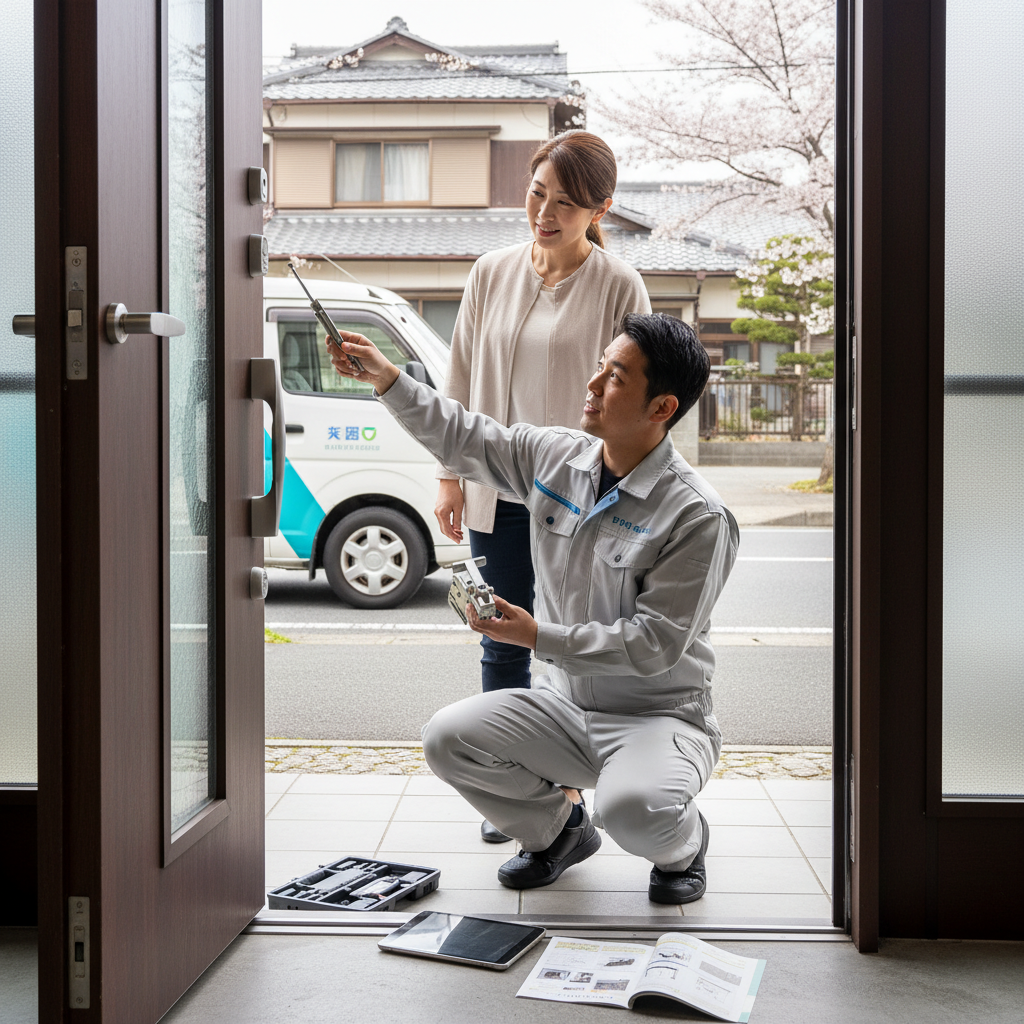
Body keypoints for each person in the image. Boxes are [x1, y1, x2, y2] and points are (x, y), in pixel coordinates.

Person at [327, 312, 738, 905]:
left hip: (658, 715)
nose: (594, 384)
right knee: (447, 738)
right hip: (563, 705)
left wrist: (536, 636)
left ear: (662, 408)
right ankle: (560, 833)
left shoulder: (697, 515)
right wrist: (388, 378)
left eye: (616, 377)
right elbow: (466, 437)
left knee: (631, 810)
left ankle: (685, 844)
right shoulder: (557, 458)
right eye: (601, 366)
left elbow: (655, 645)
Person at [435, 131, 651, 699]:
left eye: (566, 203)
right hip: (496, 493)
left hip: (580, 500)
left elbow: (638, 397)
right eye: (537, 193)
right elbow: (458, 376)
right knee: (499, 638)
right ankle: (511, 780)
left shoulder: (619, 286)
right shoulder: (490, 272)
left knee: (572, 640)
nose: (545, 213)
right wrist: (448, 476)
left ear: (600, 209)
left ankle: (571, 780)